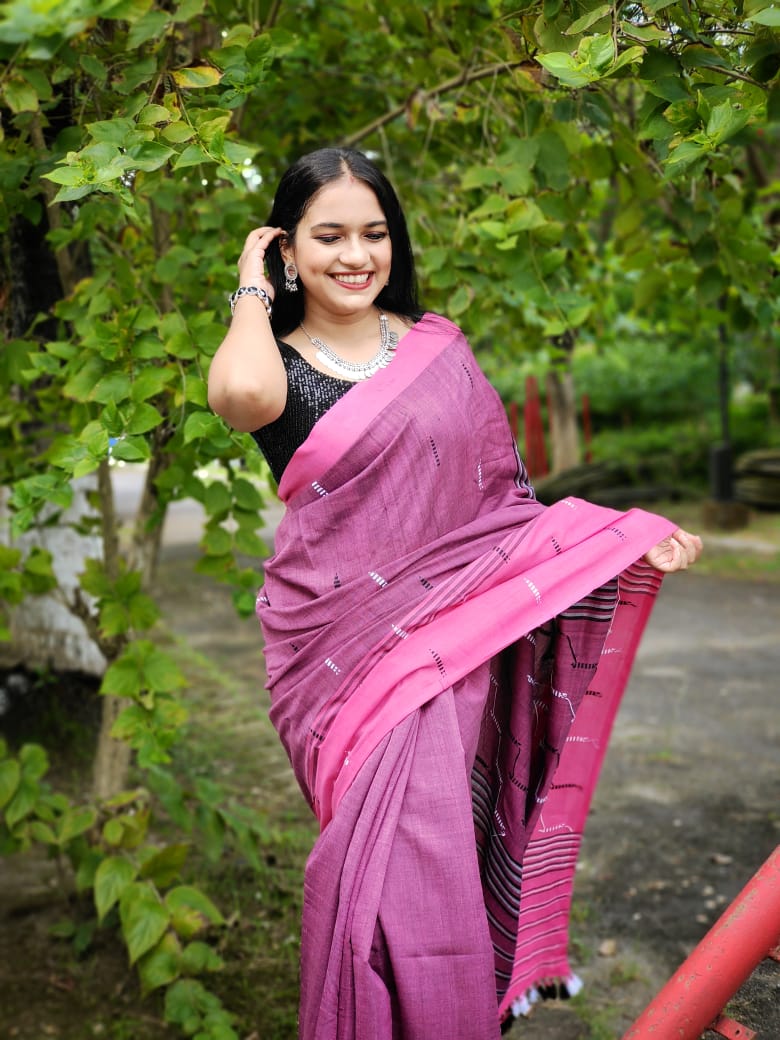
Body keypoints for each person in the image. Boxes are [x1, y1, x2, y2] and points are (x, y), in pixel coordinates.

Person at [207, 147, 702, 1040]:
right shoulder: (273, 361)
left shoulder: (436, 349)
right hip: (342, 662)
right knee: (382, 882)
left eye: (374, 234)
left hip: (452, 654)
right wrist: (251, 282)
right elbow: (239, 396)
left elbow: (503, 509)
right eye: (328, 236)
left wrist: (621, 542)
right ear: (289, 249)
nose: (356, 255)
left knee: (443, 861)